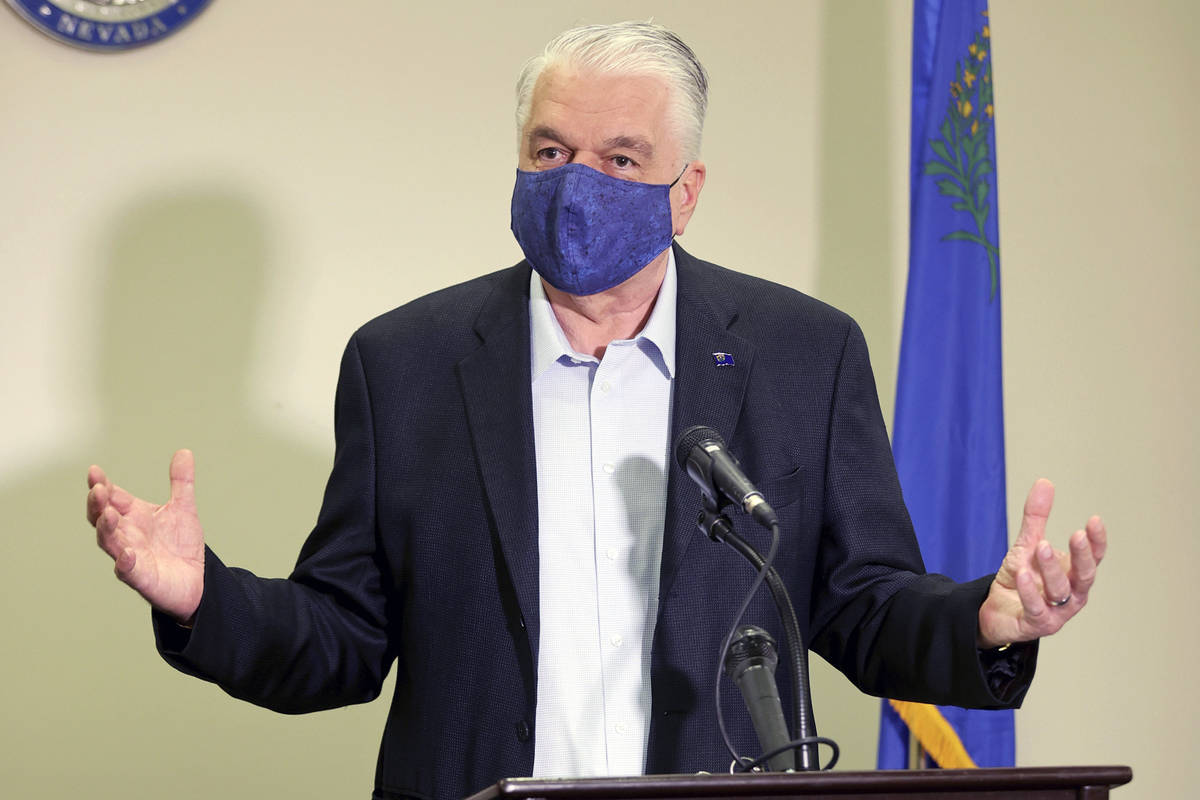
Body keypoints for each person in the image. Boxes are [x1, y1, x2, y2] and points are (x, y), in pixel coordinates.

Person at [85, 21, 1107, 800]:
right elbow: (344, 637)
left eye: (620, 158)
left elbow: (859, 603)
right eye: (549, 150)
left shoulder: (805, 353)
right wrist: (200, 597)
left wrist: (985, 621)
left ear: (685, 189)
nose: (578, 184)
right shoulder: (406, 364)